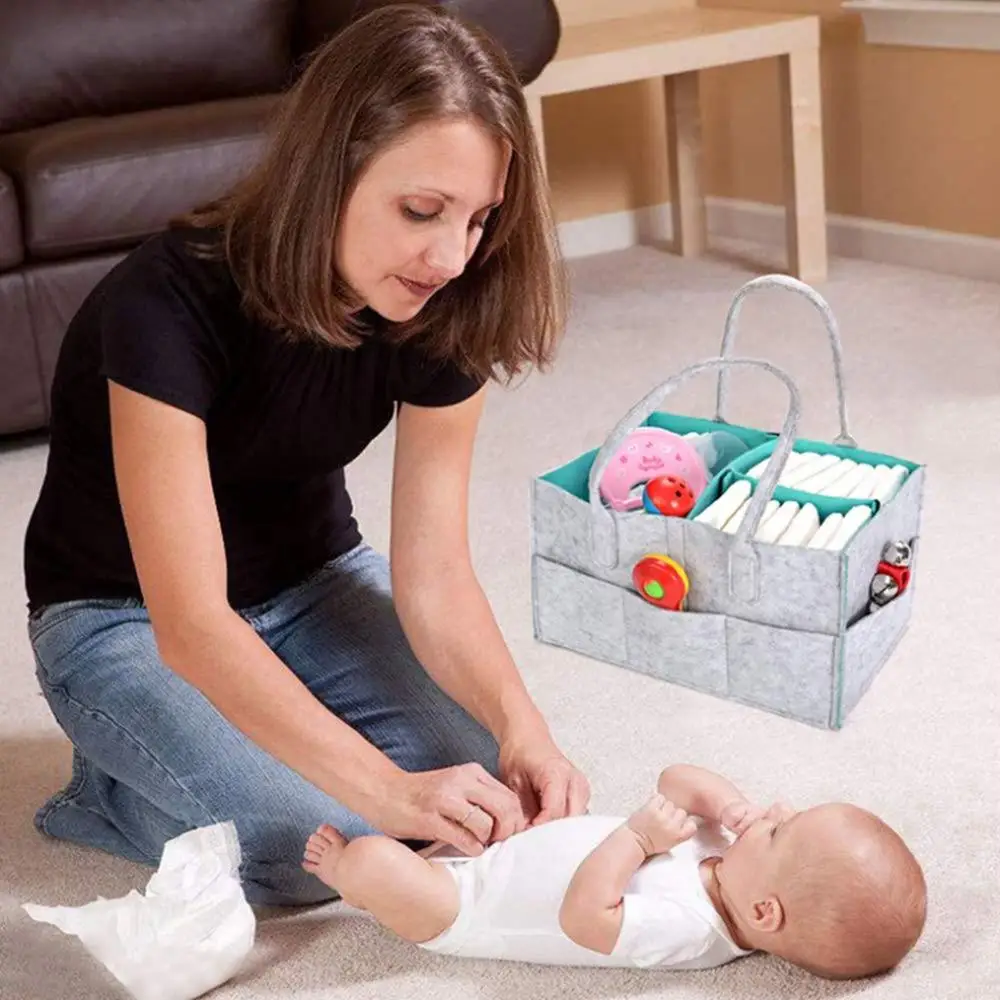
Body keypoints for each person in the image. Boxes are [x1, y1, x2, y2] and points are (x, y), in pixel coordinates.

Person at [22, 3, 590, 906]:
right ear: (331, 169)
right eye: (421, 210)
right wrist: (390, 792)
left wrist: (524, 727)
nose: (451, 256)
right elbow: (191, 624)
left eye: (480, 218)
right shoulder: (162, 304)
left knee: (483, 778)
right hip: (121, 617)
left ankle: (259, 755)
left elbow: (437, 572)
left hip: (313, 584)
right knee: (315, 846)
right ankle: (107, 790)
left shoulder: (442, 297)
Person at [301, 763, 928, 978]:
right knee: (482, 783)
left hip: (466, 905)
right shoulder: (734, 861)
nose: (779, 808)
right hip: (516, 849)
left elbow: (585, 918)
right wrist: (728, 805)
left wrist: (637, 839)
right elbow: (674, 780)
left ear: (766, 912)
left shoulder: (691, 932)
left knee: (375, 860)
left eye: (781, 829)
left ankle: (349, 879)